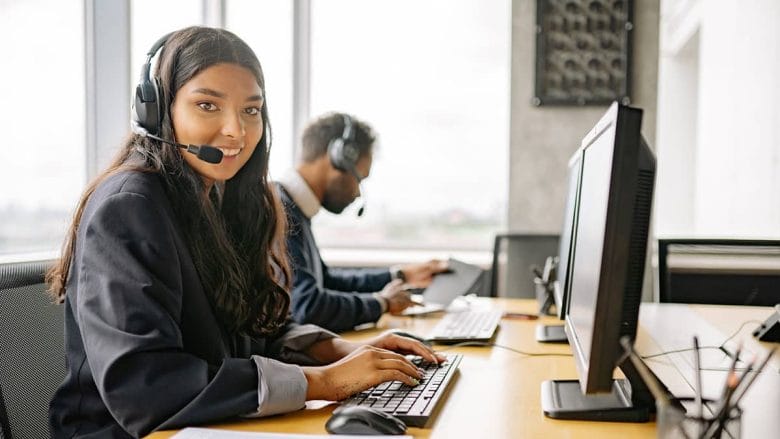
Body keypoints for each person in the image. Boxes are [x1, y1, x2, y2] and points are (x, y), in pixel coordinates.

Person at [47, 27, 442, 439]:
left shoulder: (221, 200)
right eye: (207, 105)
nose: (236, 130)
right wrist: (321, 382)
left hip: (211, 425)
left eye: (251, 110)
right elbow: (145, 387)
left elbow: (255, 330)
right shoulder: (128, 207)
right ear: (158, 109)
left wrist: (339, 350)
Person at [277, 112, 448, 333]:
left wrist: (400, 275)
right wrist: (382, 303)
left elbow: (326, 281)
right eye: (360, 179)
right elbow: (308, 307)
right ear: (338, 158)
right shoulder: (280, 211)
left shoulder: (294, 207)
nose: (358, 193)